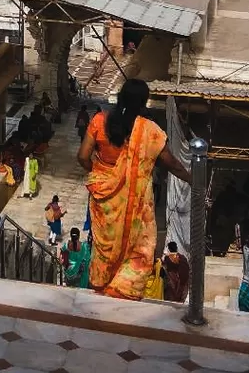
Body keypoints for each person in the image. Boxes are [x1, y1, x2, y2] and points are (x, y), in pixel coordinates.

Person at [77, 78, 192, 299]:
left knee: (105, 244)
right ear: (142, 102)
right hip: (135, 200)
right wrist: (191, 179)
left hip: (104, 197)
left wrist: (101, 173)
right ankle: (122, 289)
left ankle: (103, 285)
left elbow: (82, 157)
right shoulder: (148, 130)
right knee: (136, 245)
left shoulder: (100, 121)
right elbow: (171, 162)